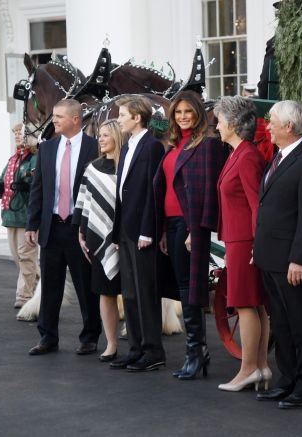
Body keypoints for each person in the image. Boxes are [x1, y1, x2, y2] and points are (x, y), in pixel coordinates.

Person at [253, 100, 302, 409]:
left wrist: (299, 259)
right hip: (270, 257)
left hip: (290, 261)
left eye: (272, 121)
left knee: (300, 324)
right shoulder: (279, 159)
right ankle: (288, 380)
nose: (267, 126)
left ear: (289, 127)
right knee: (280, 322)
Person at [154, 90, 227, 380]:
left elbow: (210, 192)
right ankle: (197, 353)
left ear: (198, 113)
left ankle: (196, 353)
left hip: (189, 223)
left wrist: (198, 230)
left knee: (189, 290)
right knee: (181, 287)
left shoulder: (208, 145)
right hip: (170, 223)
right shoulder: (172, 145)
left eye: (188, 112)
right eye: (178, 113)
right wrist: (160, 229)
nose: (183, 117)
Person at [25, 99, 101, 356]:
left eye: (58, 116)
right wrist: (32, 224)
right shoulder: (47, 149)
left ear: (75, 119)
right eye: (54, 115)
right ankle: (48, 337)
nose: (53, 120)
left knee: (85, 285)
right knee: (50, 285)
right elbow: (38, 189)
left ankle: (90, 336)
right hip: (52, 227)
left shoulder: (94, 148)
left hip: (80, 229)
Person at [212, 96, 270, 392]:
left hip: (245, 241)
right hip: (239, 239)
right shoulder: (237, 153)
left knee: (246, 305)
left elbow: (256, 205)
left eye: (220, 120)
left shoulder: (247, 156)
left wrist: (255, 246)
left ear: (234, 124)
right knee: (254, 305)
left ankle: (249, 369)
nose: (217, 125)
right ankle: (259, 367)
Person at [110, 95, 165, 372]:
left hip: (142, 231)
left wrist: (147, 230)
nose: (118, 119)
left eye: (122, 115)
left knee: (145, 293)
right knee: (129, 293)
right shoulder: (128, 144)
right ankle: (135, 348)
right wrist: (117, 231)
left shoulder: (152, 147)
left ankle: (153, 351)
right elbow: (123, 193)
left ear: (137, 118)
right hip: (125, 230)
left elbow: (152, 192)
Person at [73, 119, 126, 362]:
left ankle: (138, 343)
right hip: (98, 238)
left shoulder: (128, 165)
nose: (100, 139)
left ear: (117, 136)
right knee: (105, 294)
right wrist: (82, 234)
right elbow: (83, 204)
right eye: (99, 135)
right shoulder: (91, 168)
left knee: (132, 295)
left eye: (105, 135)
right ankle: (112, 344)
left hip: (126, 239)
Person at [0, 123, 39, 308]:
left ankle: (24, 297)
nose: (18, 137)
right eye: (16, 134)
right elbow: (3, 179)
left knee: (25, 257)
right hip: (10, 215)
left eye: (22, 134)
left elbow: (37, 183)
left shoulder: (35, 159)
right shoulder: (13, 159)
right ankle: (43, 284)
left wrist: (26, 184)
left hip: (26, 216)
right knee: (17, 257)